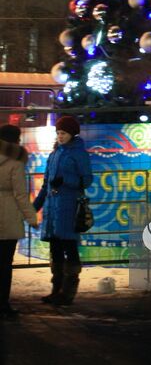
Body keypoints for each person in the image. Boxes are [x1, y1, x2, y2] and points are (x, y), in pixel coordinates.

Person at [33, 116, 93, 307]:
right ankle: (55, 291)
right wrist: (34, 207)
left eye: (64, 133)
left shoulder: (79, 154)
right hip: (53, 209)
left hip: (69, 208)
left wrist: (67, 181)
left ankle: (68, 293)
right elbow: (45, 185)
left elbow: (87, 180)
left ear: (72, 134)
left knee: (70, 248)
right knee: (55, 250)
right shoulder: (54, 154)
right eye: (58, 133)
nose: (60, 136)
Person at [0, 124, 38, 319]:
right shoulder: (16, 162)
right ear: (16, 141)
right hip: (8, 217)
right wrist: (32, 218)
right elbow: (21, 195)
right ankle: (3, 303)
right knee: (5, 263)